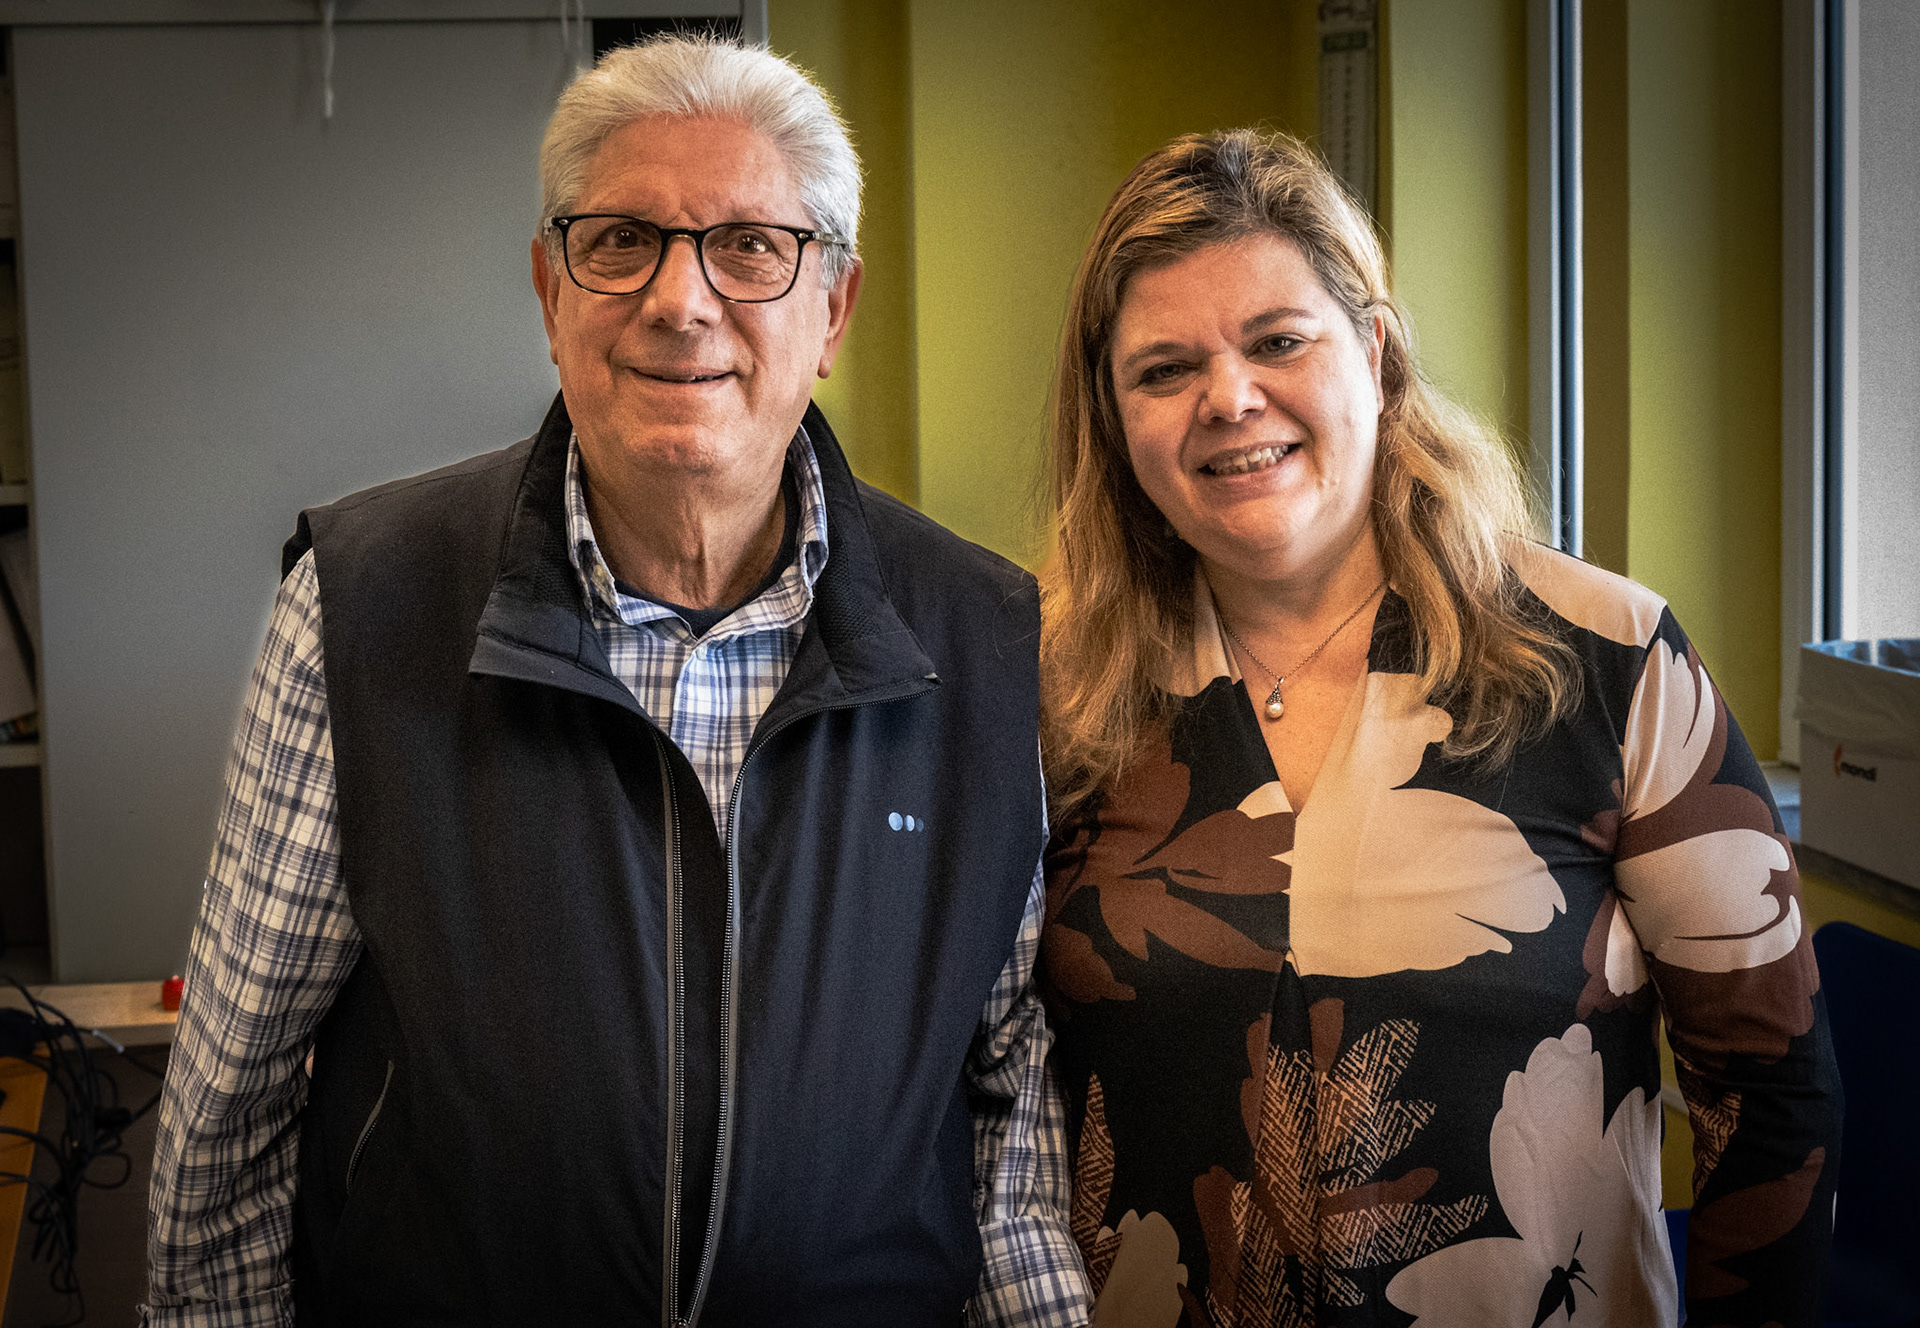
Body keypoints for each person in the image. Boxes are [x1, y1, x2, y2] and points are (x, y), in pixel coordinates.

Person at [145, 36, 1088, 1327]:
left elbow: (1009, 1122)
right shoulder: (366, 604)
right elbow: (228, 1118)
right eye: (622, 241)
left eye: (749, 246)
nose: (680, 299)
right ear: (551, 293)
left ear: (834, 310)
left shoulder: (978, 636)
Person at [1037, 128, 1841, 1327]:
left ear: (1372, 352)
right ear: (1113, 415)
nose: (1231, 398)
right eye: (1164, 369)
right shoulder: (1048, 690)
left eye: (1278, 341)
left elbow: (1770, 1092)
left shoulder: (1604, 658)